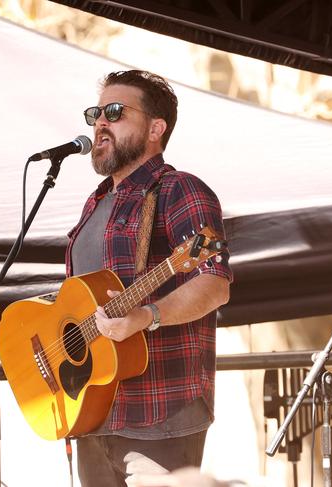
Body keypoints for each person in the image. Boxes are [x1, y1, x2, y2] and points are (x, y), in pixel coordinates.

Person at [67, 70, 232, 486]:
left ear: (156, 128)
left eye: (115, 112)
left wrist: (148, 315)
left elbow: (214, 283)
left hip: (160, 411)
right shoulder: (96, 201)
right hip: (93, 410)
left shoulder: (180, 189)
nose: (100, 122)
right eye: (96, 113)